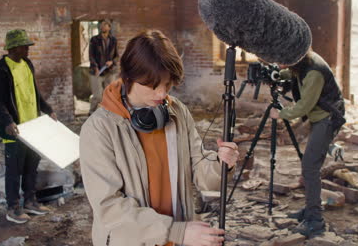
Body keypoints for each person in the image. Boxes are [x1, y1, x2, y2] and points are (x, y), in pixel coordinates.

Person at [80, 29, 239, 246]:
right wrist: (177, 231)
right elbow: (109, 207)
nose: (162, 94)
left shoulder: (176, 112)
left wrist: (221, 164)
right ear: (128, 78)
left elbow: (199, 167)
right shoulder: (99, 129)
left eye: (167, 84)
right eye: (153, 85)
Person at [269, 49, 345, 237]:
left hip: (327, 119)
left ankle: (315, 221)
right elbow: (292, 73)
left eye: (282, 62)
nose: (281, 65)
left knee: (310, 167)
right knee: (309, 166)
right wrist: (277, 73)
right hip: (319, 117)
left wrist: (281, 114)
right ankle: (310, 210)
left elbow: (305, 106)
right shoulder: (303, 62)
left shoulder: (314, 72)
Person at [0, 29, 55, 224]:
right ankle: (13, 207)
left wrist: (47, 109)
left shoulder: (27, 64)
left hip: (33, 127)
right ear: (14, 48)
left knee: (31, 166)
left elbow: (34, 92)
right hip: (14, 130)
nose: (28, 49)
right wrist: (8, 121)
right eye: (25, 46)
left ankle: (30, 201)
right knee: (14, 170)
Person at [88, 19, 119, 115]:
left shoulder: (113, 40)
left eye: (105, 25)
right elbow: (91, 55)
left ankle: (107, 114)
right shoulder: (94, 40)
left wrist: (112, 62)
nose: (103, 27)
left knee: (109, 94)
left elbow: (117, 56)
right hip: (96, 71)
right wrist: (95, 67)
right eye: (102, 25)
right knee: (97, 96)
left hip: (110, 72)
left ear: (109, 27)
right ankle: (91, 113)